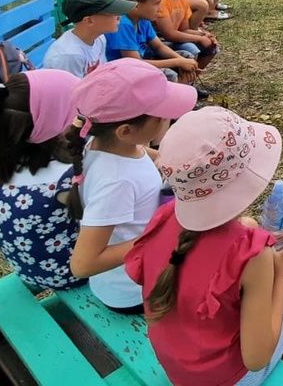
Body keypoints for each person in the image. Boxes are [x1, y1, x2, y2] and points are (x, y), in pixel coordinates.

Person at [125, 107, 283, 385]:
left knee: (254, 227)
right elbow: (255, 359)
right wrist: (280, 274)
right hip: (228, 379)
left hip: (177, 368)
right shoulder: (253, 254)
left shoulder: (164, 217)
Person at [68, 59, 198, 313]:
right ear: (126, 130)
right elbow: (83, 264)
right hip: (134, 290)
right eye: (162, 114)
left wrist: (170, 161)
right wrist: (160, 237)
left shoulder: (107, 144)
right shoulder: (116, 181)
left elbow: (142, 153)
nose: (169, 118)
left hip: (143, 267)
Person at [0, 68, 85, 290]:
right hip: (68, 273)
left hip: (27, 269)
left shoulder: (1, 165)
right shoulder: (66, 179)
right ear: (57, 121)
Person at [106, 0, 202, 89]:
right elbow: (135, 63)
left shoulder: (142, 18)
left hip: (141, 60)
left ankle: (186, 88)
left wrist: (181, 60)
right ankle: (176, 96)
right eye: (157, 3)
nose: (160, 7)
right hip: (122, 73)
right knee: (168, 74)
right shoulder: (123, 24)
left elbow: (158, 47)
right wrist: (177, 62)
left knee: (186, 57)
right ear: (136, 6)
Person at [44, 0, 135, 77]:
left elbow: (102, 75)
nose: (119, 16)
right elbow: (72, 90)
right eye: (112, 13)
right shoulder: (69, 56)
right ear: (89, 21)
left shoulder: (99, 38)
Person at [151, 0, 219, 71]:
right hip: (159, 43)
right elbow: (169, 34)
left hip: (175, 39)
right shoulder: (161, 0)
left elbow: (184, 29)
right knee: (191, 49)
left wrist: (202, 34)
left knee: (212, 46)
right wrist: (199, 39)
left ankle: (190, 82)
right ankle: (181, 84)